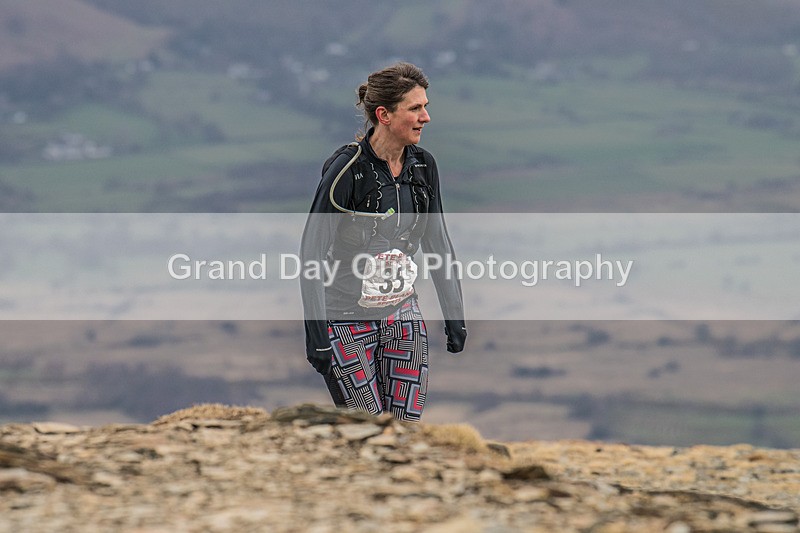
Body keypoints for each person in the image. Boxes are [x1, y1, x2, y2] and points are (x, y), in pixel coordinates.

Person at [300, 62, 466, 422]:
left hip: (403, 318)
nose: (426, 117)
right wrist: (316, 333)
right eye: (415, 108)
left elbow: (438, 243)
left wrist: (455, 315)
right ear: (384, 115)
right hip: (346, 323)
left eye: (425, 107)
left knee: (405, 433)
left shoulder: (424, 167)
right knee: (369, 432)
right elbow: (311, 251)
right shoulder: (347, 171)